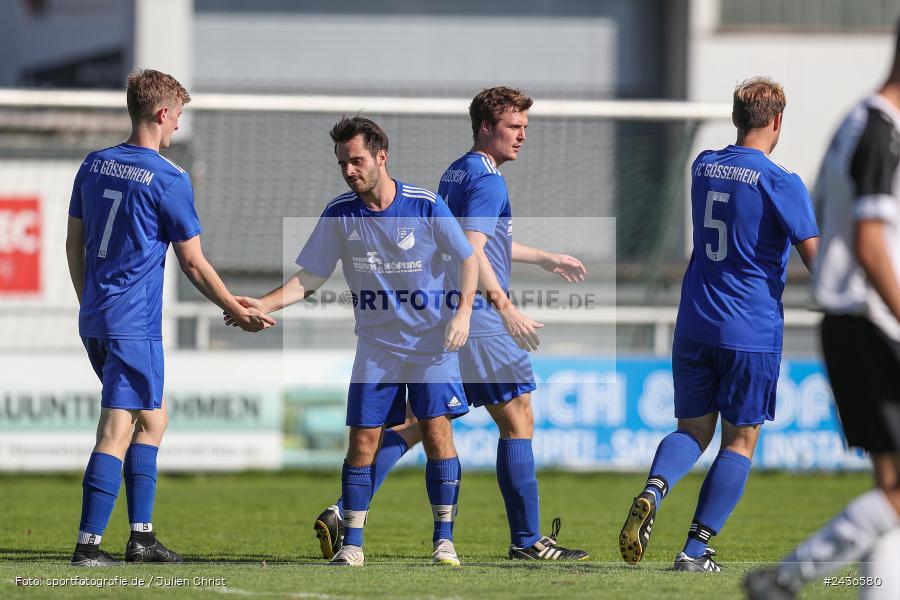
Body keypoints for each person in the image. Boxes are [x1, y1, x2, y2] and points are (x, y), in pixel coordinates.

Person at [313, 86, 590, 562]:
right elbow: (474, 250)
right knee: (518, 417)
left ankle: (344, 509)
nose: (523, 135)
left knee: (426, 422)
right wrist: (505, 306)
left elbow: (474, 240)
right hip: (476, 318)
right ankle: (527, 540)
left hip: (440, 319)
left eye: (525, 126)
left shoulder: (457, 171)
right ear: (486, 126)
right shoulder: (489, 180)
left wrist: (542, 257)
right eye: (514, 126)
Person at [230, 116, 478, 566]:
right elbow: (310, 278)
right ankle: (353, 545)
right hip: (377, 349)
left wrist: (462, 313)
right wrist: (264, 305)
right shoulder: (339, 213)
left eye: (357, 160)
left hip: (430, 346)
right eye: (343, 162)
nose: (349, 170)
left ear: (382, 158)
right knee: (363, 439)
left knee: (438, 432)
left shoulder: (425, 205)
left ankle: (444, 540)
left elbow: (468, 260)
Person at [65, 69, 275, 566]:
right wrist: (235, 309)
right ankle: (89, 545)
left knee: (153, 419)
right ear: (162, 114)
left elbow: (73, 243)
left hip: (97, 316)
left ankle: (141, 538)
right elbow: (195, 263)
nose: (178, 126)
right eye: (178, 116)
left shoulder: (95, 165)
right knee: (117, 427)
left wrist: (89, 302)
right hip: (132, 323)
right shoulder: (168, 179)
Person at [618, 77, 819, 573]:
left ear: (735, 116)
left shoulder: (704, 165)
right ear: (776, 121)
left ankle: (653, 488)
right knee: (740, 440)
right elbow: (818, 259)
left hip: (695, 322)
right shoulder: (781, 180)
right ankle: (694, 551)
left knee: (691, 429)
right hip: (749, 329)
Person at [744, 31, 900, 600]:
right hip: (870, 321)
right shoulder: (881, 130)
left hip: (851, 321)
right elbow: (869, 245)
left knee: (890, 489)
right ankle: (787, 577)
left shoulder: (856, 121)